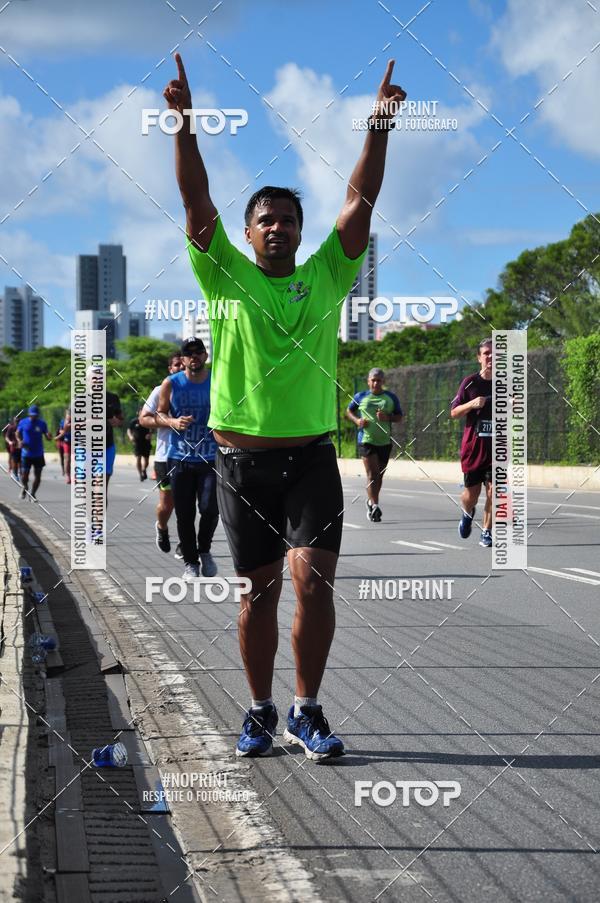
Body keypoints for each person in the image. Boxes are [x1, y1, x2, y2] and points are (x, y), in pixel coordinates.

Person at [164, 53, 406, 759]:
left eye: (288, 220)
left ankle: (307, 708)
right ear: (248, 233)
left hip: (310, 459)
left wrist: (378, 127)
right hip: (239, 463)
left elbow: (360, 201)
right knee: (257, 593)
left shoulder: (328, 275)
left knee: (313, 579)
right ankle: (260, 709)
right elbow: (195, 201)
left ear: (301, 233)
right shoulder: (223, 275)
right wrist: (183, 127)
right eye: (265, 219)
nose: (277, 227)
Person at [157, 337, 219, 580]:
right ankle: (191, 563)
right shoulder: (171, 383)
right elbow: (159, 413)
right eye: (188, 353)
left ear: (205, 356)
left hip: (210, 457)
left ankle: (204, 550)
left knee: (210, 509)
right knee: (184, 514)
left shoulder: (217, 380)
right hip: (179, 457)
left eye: (198, 352)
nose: (194, 356)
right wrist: (173, 421)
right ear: (182, 360)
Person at [138, 352, 184, 553]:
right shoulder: (160, 390)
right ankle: (162, 527)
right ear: (170, 369)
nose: (181, 368)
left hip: (195, 457)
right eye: (176, 365)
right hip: (166, 456)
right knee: (167, 505)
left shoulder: (203, 388)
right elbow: (144, 419)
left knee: (191, 504)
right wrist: (170, 422)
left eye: (183, 364)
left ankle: (186, 543)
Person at [450, 338, 493, 547]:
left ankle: (487, 531)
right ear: (479, 358)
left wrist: (514, 404)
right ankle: (467, 514)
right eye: (486, 353)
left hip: (497, 449)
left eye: (495, 353)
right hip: (474, 449)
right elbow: (454, 412)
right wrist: (472, 403)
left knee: (497, 491)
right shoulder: (470, 383)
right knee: (471, 495)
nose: (491, 357)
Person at [346, 368, 403, 522]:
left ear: (383, 382)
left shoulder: (390, 398)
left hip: (384, 441)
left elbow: (399, 417)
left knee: (379, 476)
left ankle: (371, 501)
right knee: (372, 474)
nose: (376, 383)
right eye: (373, 380)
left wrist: (387, 417)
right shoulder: (361, 396)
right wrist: (357, 421)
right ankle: (375, 505)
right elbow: (349, 411)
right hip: (366, 440)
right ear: (368, 381)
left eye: (379, 380)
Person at [16, 405, 53, 500]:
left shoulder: (42, 423)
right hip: (26, 453)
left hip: (38, 453)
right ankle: (25, 487)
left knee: (38, 476)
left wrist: (49, 436)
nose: (34, 417)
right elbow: (17, 433)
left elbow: (48, 437)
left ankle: (32, 493)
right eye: (32, 415)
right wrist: (20, 441)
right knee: (24, 475)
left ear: (38, 415)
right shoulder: (23, 422)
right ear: (29, 414)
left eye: (35, 415)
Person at [127, 408, 152, 482]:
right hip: (137, 443)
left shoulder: (147, 420)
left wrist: (149, 434)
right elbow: (129, 430)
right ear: (138, 412)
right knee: (138, 458)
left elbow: (151, 429)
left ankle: (144, 469)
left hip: (146, 443)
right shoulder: (134, 421)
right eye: (140, 412)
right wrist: (130, 436)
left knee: (146, 460)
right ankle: (140, 474)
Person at [55, 408, 72, 484]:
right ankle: (67, 475)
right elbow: (61, 431)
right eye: (67, 414)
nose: (68, 416)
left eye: (70, 414)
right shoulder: (63, 421)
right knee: (67, 459)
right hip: (67, 442)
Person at [4, 417, 21, 483]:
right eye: (16, 421)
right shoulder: (11, 428)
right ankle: (15, 473)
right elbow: (6, 437)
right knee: (14, 460)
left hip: (21, 447)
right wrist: (9, 442)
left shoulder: (21, 428)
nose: (17, 422)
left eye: (18, 421)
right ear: (14, 421)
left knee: (21, 461)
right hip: (13, 447)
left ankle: (19, 472)